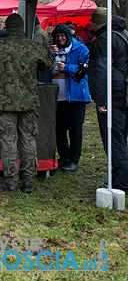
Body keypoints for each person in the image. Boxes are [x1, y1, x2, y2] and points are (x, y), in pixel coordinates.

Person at [0, 13, 55, 193]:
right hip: (29, 102)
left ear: (7, 27)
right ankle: (29, 180)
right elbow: (50, 65)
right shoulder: (34, 47)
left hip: (4, 102)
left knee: (8, 141)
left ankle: (11, 181)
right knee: (28, 139)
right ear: (22, 28)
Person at [87, 7, 128, 192]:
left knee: (114, 140)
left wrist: (101, 100)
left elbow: (104, 69)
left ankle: (121, 183)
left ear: (97, 23)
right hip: (124, 93)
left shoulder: (105, 38)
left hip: (113, 95)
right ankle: (120, 178)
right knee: (121, 137)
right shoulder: (123, 35)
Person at [47, 23, 90, 172]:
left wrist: (66, 68)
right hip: (58, 97)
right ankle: (64, 157)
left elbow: (84, 68)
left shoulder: (80, 49)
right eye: (57, 36)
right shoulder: (52, 50)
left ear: (68, 36)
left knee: (75, 129)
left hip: (76, 96)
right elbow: (44, 68)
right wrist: (48, 54)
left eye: (62, 36)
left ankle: (74, 160)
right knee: (59, 129)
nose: (60, 39)